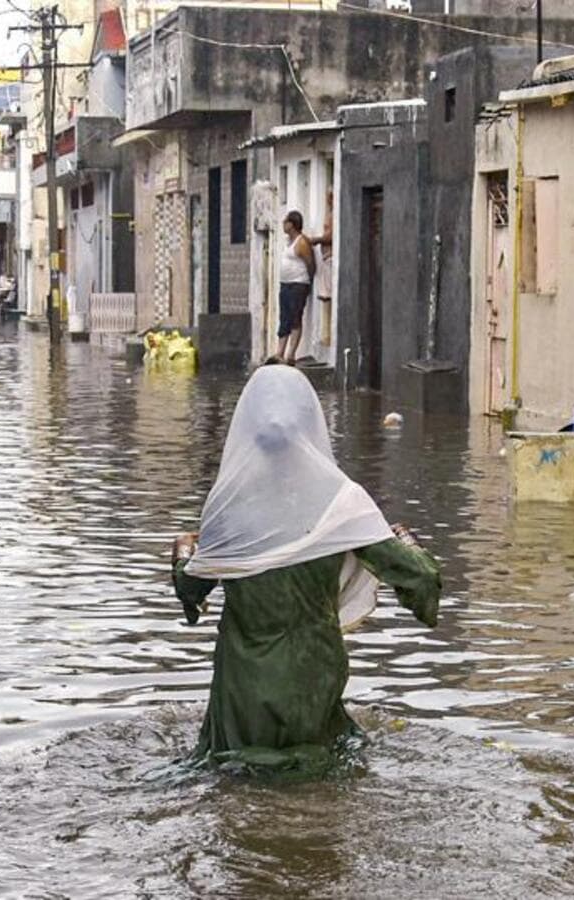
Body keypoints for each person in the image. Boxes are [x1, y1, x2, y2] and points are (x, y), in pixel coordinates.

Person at [171, 365, 442, 774]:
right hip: (312, 680)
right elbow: (421, 578)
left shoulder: (228, 509)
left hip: (242, 691)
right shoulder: (341, 506)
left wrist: (181, 550)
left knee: (234, 788)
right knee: (324, 785)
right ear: (311, 424)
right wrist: (405, 539)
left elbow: (190, 588)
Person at [273, 210, 315, 366]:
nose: (283, 223)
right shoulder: (288, 242)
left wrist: (307, 282)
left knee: (295, 318)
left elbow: (310, 264)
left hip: (298, 284)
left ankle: (291, 354)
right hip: (285, 284)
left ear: (292, 224)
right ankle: (280, 352)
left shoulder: (301, 242)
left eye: (286, 221)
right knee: (284, 317)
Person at [310, 191, 335, 348]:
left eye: (329, 196)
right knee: (325, 297)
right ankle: (325, 334)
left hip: (330, 258)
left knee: (328, 296)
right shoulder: (330, 213)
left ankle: (328, 335)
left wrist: (316, 239)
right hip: (326, 259)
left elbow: (331, 235)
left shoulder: (334, 215)